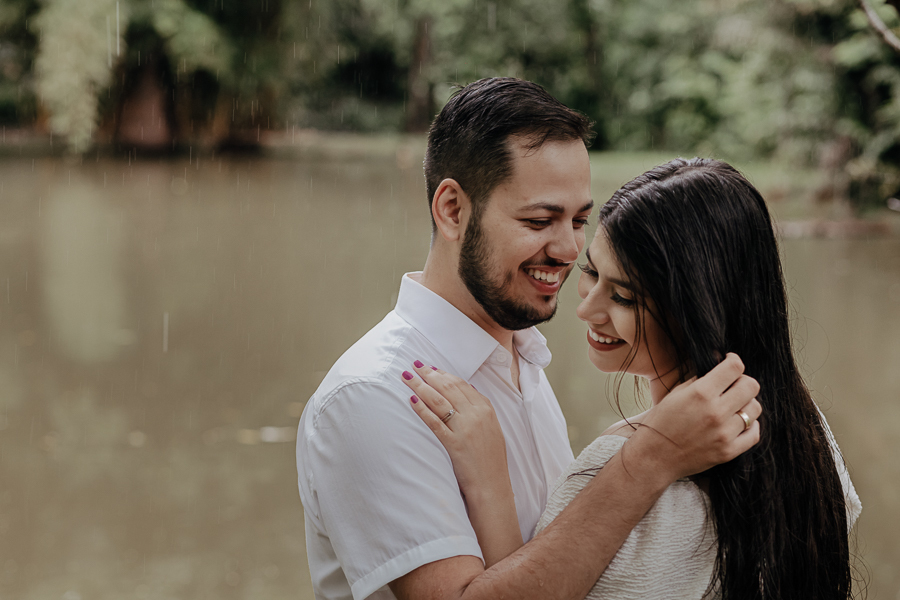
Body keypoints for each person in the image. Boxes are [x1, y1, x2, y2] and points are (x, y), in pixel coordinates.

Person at [296, 79, 762, 600]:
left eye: (579, 219)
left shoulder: (522, 358)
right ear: (452, 210)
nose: (567, 249)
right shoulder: (377, 395)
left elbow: (555, 566)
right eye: (540, 220)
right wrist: (653, 456)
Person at [402, 157, 862, 599]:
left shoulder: (621, 472)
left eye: (623, 296)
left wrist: (489, 482)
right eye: (591, 272)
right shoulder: (810, 439)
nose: (586, 308)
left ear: (697, 311)